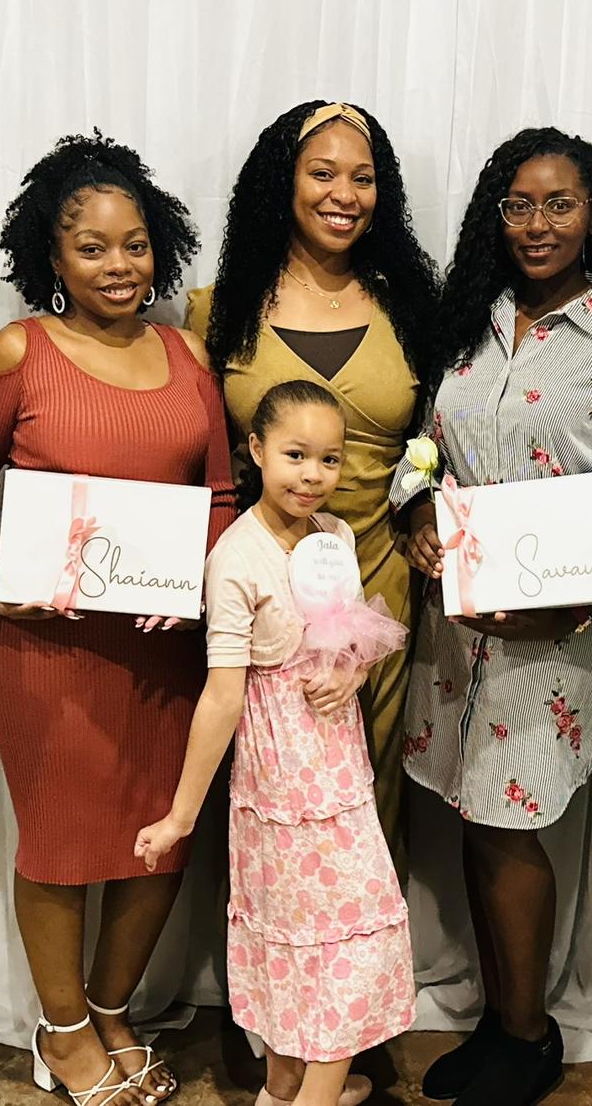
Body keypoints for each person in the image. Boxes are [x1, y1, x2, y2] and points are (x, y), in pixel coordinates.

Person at [0, 132, 234, 1106]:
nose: (120, 265)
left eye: (135, 244)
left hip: (164, 648)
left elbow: (221, 496)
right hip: (43, 647)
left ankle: (112, 1010)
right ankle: (62, 1034)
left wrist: (199, 590)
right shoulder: (16, 352)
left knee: (161, 836)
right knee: (62, 843)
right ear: (53, 258)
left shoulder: (187, 355)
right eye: (94, 247)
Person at [392, 127, 592, 1106]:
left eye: (560, 203)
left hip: (561, 636)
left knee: (511, 824)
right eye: (519, 204)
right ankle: (500, 1020)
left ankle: (527, 1037)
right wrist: (416, 516)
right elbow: (423, 452)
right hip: (461, 626)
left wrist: (565, 604)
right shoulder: (468, 329)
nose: (537, 223)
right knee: (473, 821)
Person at [135, 380, 414, 1106]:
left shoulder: (335, 537)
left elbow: (350, 634)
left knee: (337, 930)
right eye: (296, 455)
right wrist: (181, 816)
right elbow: (223, 695)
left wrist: (351, 671)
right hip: (281, 780)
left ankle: (286, 1086)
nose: (312, 475)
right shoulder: (236, 557)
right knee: (311, 934)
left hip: (339, 768)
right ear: (256, 450)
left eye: (329, 459)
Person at [186, 101, 439, 870]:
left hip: (376, 585)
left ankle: (368, 946)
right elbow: (196, 457)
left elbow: (437, 440)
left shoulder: (411, 308)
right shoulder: (218, 311)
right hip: (257, 586)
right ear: (283, 183)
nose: (344, 194)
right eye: (322, 173)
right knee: (268, 790)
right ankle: (270, 942)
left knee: (368, 792)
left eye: (363, 178)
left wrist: (424, 513)